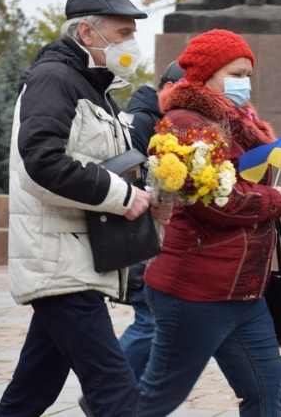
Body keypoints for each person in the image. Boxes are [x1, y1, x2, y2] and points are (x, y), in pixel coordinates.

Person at [0, 0, 170, 417]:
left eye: (132, 32)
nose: (130, 42)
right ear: (87, 34)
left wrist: (145, 192)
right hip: (59, 261)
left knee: (32, 390)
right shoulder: (55, 79)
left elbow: (103, 160)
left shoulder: (94, 86)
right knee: (115, 390)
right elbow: (41, 162)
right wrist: (122, 196)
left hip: (75, 259)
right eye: (122, 31)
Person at [137, 29, 281, 417]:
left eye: (248, 74)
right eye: (235, 73)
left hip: (243, 289)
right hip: (197, 288)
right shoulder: (186, 122)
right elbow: (217, 202)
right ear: (206, 74)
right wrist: (274, 199)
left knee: (265, 387)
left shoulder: (237, 119)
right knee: (157, 397)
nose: (245, 83)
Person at [117, 59, 185, 380]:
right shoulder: (143, 122)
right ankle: (109, 388)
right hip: (140, 242)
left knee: (155, 325)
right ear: (169, 89)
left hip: (148, 240)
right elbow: (126, 177)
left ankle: (127, 395)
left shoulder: (157, 119)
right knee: (149, 322)